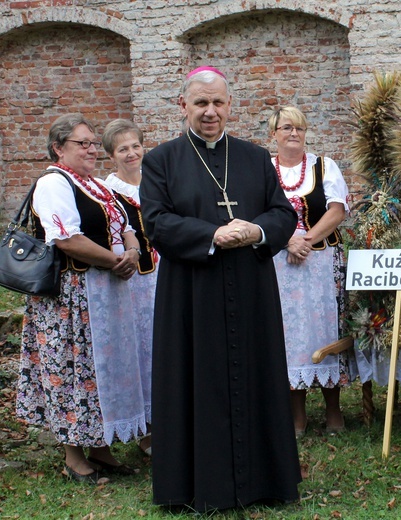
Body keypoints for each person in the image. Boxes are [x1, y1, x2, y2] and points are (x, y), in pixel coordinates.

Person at [140, 66, 301, 512]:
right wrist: (212, 235)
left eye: (218, 103)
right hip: (191, 291)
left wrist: (255, 231)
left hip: (251, 289)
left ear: (230, 106)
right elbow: (156, 222)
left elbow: (282, 214)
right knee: (196, 378)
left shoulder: (253, 157)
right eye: (200, 103)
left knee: (256, 372)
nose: (210, 112)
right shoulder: (161, 160)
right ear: (184, 106)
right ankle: (194, 485)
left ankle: (266, 481)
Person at [16, 113, 144, 483]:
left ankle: (101, 449)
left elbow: (127, 226)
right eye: (81, 143)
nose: (91, 149)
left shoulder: (96, 185)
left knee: (104, 370)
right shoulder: (54, 183)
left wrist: (132, 252)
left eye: (92, 143)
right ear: (59, 148)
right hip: (71, 295)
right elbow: (66, 238)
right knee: (74, 372)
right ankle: (74, 456)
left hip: (107, 291)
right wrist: (114, 260)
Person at [268, 106, 350, 437]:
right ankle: (296, 413)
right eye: (286, 127)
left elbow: (338, 209)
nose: (294, 133)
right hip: (279, 264)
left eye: (299, 128)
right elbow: (257, 213)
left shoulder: (324, 166)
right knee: (289, 335)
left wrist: (306, 238)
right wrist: (287, 240)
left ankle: (334, 408)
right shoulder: (263, 169)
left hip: (320, 263)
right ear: (273, 134)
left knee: (325, 328)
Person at [101, 118, 157, 456]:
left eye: (136, 146)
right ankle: (146, 431)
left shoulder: (156, 181)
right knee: (142, 350)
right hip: (134, 284)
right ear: (111, 155)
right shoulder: (107, 191)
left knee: (166, 347)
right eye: (123, 149)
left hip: (166, 276)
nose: (132, 153)